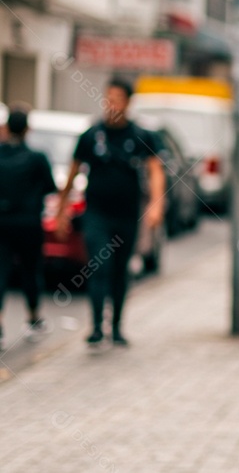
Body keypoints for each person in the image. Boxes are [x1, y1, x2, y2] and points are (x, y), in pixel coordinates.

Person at [56, 78, 165, 347]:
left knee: (120, 270)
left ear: (128, 102)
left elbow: (155, 171)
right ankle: (95, 327)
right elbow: (72, 174)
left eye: (117, 98)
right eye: (108, 98)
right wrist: (62, 211)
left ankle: (116, 327)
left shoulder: (141, 136)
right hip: (97, 214)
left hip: (127, 215)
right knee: (98, 267)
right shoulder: (92, 135)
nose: (111, 104)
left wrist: (155, 205)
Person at [0, 109, 56, 350]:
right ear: (27, 129)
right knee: (31, 271)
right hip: (29, 223)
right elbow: (50, 187)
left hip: (1, 223)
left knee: (0, 272)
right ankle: (33, 318)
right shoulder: (37, 158)